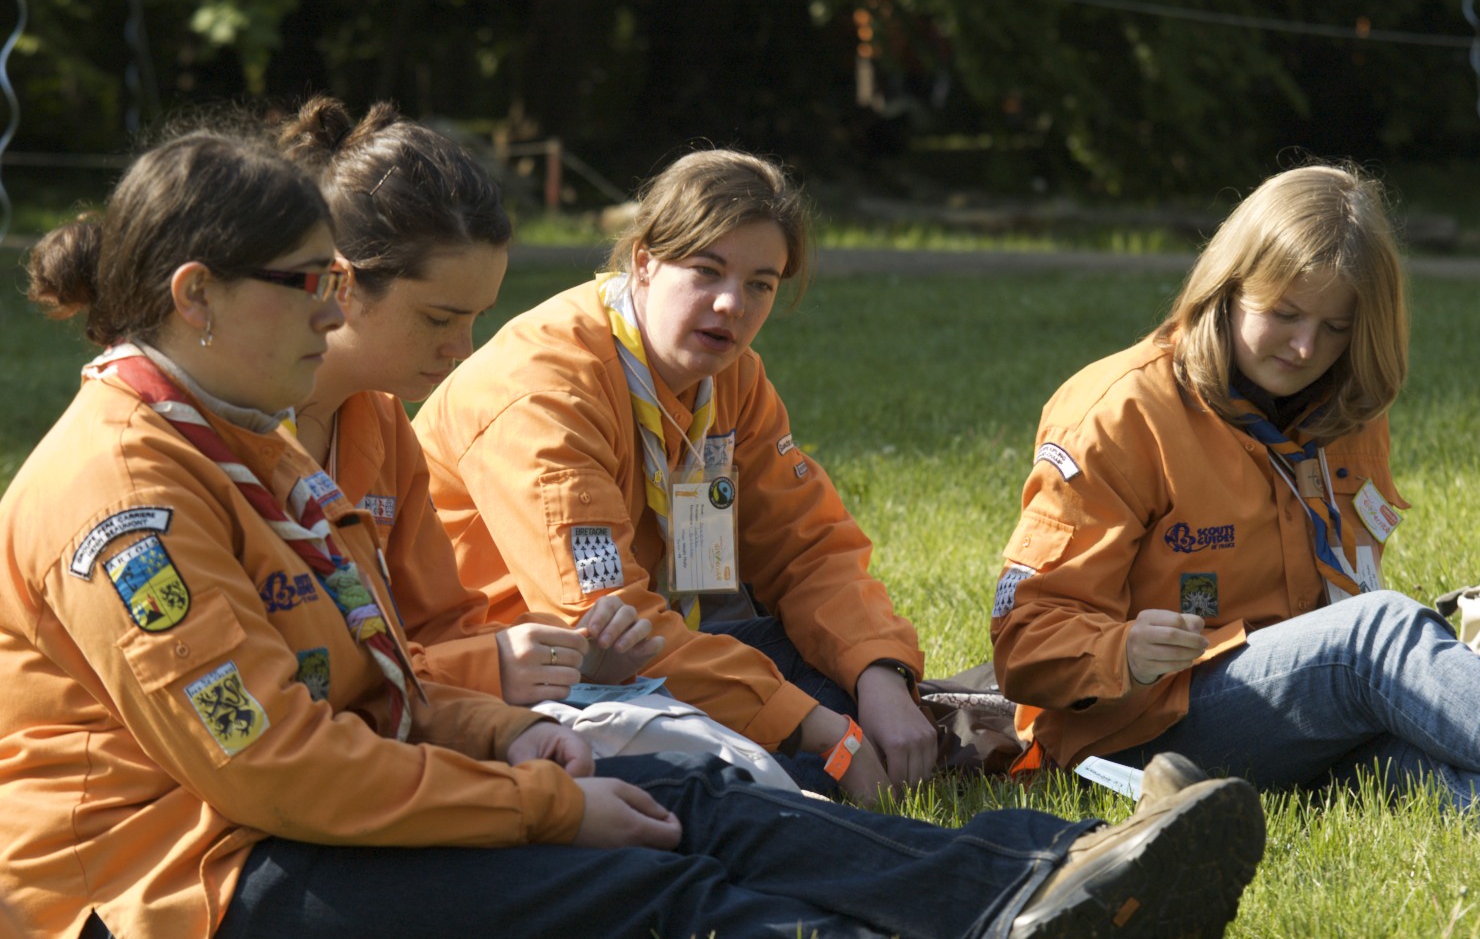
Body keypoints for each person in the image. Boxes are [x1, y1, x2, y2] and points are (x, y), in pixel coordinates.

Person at [0, 129, 1269, 939]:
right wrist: (545, 798)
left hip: (310, 806)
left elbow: (390, 672)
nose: (334, 319)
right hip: (184, 877)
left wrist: (515, 736)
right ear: (196, 298)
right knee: (647, 883)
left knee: (684, 796)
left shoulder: (252, 445)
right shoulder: (129, 503)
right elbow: (274, 767)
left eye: (342, 284)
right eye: (314, 285)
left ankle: (1040, 883)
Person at [277, 96, 791, 788]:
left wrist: (876, 665)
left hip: (439, 724)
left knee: (729, 785)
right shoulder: (222, 435)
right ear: (340, 283)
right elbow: (289, 694)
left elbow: (441, 629)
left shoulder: (378, 414)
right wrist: (508, 705)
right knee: (701, 799)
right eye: (439, 318)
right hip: (272, 816)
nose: (462, 350)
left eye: (761, 284)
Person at [992, 163, 1480, 818]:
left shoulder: (1346, 404)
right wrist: (1122, 649)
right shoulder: (1120, 411)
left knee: (1433, 768)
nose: (1304, 348)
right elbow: (1024, 640)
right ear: (1228, 288)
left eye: (1336, 327)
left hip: (1297, 704)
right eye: (1285, 314)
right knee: (1376, 635)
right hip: (1139, 733)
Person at [415, 149, 938, 800]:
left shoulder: (730, 378)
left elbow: (808, 547)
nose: (731, 304)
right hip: (536, 673)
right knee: (738, 765)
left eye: (760, 283)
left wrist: (879, 675)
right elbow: (602, 623)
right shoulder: (544, 390)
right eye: (706, 270)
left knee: (845, 677)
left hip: (664, 640)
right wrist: (823, 728)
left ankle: (878, 741)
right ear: (643, 261)